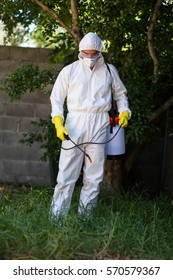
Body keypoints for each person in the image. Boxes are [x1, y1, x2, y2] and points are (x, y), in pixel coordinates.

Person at [50, 32, 131, 219]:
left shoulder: (109, 70)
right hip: (74, 124)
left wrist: (124, 111)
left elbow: (120, 94)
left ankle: (84, 219)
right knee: (66, 175)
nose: (90, 57)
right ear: (80, 52)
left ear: (100, 52)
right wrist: (58, 122)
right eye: (86, 53)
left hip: (100, 124)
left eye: (93, 53)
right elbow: (56, 99)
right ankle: (56, 219)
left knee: (94, 178)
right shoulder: (69, 71)